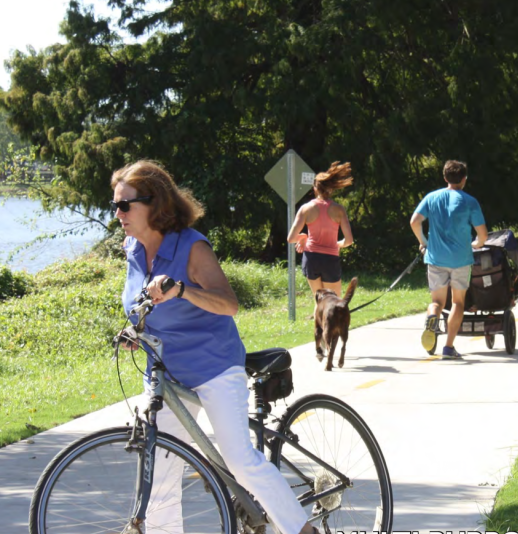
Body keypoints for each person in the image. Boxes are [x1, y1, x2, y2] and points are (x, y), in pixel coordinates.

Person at [112, 160, 315, 534]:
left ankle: (303, 530)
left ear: (154, 203)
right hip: (167, 375)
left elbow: (228, 304)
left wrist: (182, 289)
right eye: (115, 206)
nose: (118, 213)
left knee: (239, 461)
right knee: (159, 474)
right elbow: (142, 302)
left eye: (126, 205)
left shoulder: (191, 246)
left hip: (214, 368)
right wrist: (133, 330)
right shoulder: (133, 249)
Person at [409, 159, 488, 360]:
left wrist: (424, 241)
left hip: (435, 258)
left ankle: (432, 318)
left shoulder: (432, 197)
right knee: (458, 303)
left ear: (445, 177)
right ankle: (448, 347)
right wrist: (477, 244)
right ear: (464, 179)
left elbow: (414, 221)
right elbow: (483, 235)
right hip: (461, 259)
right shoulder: (470, 201)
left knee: (436, 301)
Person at [286, 161, 355, 298]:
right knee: (333, 302)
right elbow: (349, 240)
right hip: (330, 258)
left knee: (319, 302)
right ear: (330, 189)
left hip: (311, 258)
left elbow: (291, 238)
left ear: (315, 188)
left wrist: (304, 236)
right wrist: (338, 244)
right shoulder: (339, 210)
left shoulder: (306, 208)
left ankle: (318, 320)